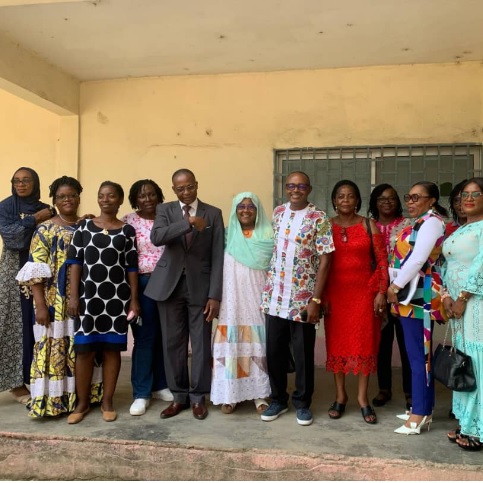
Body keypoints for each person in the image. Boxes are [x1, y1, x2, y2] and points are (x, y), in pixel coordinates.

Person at [16, 176, 102, 417]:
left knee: (82, 347)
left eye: (72, 195)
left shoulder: (87, 226)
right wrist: (41, 305)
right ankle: (54, 400)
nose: (68, 200)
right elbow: (35, 269)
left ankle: (84, 397)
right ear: (54, 200)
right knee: (55, 346)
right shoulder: (45, 229)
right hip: (54, 300)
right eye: (62, 196)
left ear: (78, 198)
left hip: (86, 298)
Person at [145, 169, 224, 420]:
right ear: (174, 190)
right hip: (169, 286)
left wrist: (215, 295)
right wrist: (187, 222)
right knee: (172, 343)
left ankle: (199, 397)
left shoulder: (213, 213)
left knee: (200, 343)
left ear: (196, 185)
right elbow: (157, 237)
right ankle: (179, 396)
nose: (186, 192)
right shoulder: (165, 210)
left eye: (190, 187)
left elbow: (217, 256)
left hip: (200, 287)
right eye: (180, 189)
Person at [260, 171, 334, 426]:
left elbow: (326, 259)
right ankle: (278, 400)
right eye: (291, 186)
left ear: (309, 189)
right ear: (286, 188)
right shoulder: (278, 212)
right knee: (274, 352)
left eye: (301, 186)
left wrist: (316, 300)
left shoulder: (319, 217)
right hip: (275, 297)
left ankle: (302, 403)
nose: (295, 190)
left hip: (303, 299)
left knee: (303, 354)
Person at [67, 181, 140, 424]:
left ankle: (107, 401)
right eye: (101, 195)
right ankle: (82, 402)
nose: (105, 199)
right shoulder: (84, 227)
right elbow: (75, 263)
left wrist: (134, 300)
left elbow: (131, 267)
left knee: (111, 350)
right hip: (88, 298)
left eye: (111, 196)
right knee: (84, 351)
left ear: (120, 201)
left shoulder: (127, 231)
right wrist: (74, 296)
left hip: (116, 299)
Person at [324, 180, 388, 425]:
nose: (345, 200)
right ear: (334, 201)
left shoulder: (369, 225)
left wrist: (381, 292)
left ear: (358, 200)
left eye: (350, 196)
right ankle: (340, 396)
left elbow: (382, 261)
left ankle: (363, 399)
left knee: (364, 347)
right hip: (336, 295)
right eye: (341, 196)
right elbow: (321, 264)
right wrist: (323, 297)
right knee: (337, 346)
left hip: (364, 295)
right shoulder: (326, 226)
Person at [387, 181, 448, 435]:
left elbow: (419, 258)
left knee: (418, 357)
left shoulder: (432, 222)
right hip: (411, 295)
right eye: (408, 197)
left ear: (431, 200)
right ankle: (425, 407)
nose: (410, 201)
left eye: (416, 197)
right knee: (417, 356)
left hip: (418, 298)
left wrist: (395, 286)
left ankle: (419, 413)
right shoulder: (421, 221)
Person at [210, 192, 273, 414]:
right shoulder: (227, 236)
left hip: (257, 298)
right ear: (234, 210)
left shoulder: (268, 236)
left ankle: (260, 395)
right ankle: (230, 394)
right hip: (231, 300)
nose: (245, 210)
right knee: (231, 344)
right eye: (240, 206)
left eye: (251, 206)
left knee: (258, 345)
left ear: (258, 211)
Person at [0, 167, 53, 404]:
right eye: (17, 181)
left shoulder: (45, 208)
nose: (21, 185)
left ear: (36, 182)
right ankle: (15, 383)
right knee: (12, 324)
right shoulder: (6, 207)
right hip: (13, 269)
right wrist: (34, 220)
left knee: (37, 322)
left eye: (26, 180)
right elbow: (12, 239)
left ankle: (35, 376)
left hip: (40, 270)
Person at [121, 179, 173, 416]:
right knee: (144, 337)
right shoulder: (128, 221)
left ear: (159, 196)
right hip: (140, 283)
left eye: (151, 194)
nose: (147, 199)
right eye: (141, 196)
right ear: (135, 199)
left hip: (170, 283)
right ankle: (141, 392)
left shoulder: (169, 218)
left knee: (164, 335)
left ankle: (160, 385)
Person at [442, 177, 483, 451]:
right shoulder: (462, 228)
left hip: (476, 303)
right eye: (464, 195)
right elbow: (447, 265)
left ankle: (478, 429)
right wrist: (446, 297)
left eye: (475, 194)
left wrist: (463, 296)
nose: (467, 199)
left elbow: (481, 264)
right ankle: (469, 421)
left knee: (477, 360)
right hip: (458, 307)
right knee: (465, 360)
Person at [368, 184, 412, 411]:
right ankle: (383, 388)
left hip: (402, 293)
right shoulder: (368, 225)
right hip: (376, 294)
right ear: (375, 202)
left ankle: (410, 392)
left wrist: (395, 286)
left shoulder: (408, 225)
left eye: (392, 198)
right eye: (382, 199)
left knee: (407, 345)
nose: (387, 202)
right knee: (382, 345)